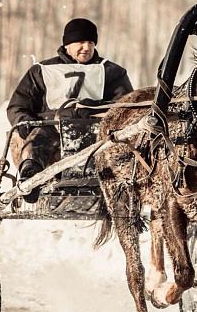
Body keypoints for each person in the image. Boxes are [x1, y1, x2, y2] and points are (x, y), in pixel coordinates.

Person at [7, 17, 133, 202]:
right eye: (80, 42)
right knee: (38, 139)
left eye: (90, 42)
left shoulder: (111, 71)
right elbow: (18, 105)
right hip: (53, 127)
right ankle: (30, 177)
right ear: (67, 44)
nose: (87, 47)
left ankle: (123, 182)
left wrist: (93, 109)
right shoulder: (42, 71)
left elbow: (125, 105)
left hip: (97, 129)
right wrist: (24, 123)